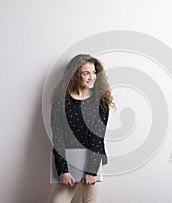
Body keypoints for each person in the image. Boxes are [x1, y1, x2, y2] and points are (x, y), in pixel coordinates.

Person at [49, 54, 115, 202]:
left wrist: (92, 171)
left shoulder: (101, 101)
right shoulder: (60, 101)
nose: (91, 77)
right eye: (86, 73)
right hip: (67, 160)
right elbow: (58, 137)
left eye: (93, 73)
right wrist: (63, 170)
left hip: (94, 160)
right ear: (74, 76)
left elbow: (98, 137)